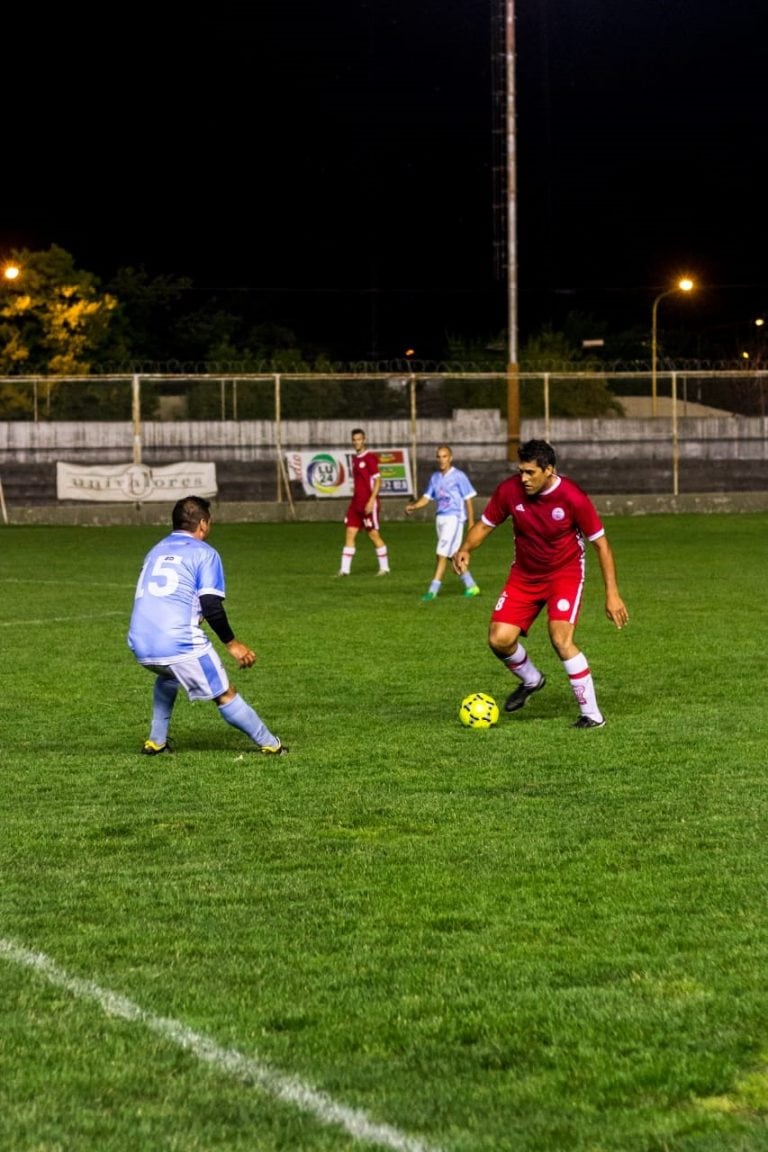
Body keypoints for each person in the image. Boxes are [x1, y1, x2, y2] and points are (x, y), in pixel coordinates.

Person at [452, 439, 629, 729]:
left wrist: (612, 594)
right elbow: (485, 525)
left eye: (530, 472)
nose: (523, 478)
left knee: (561, 639)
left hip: (565, 574)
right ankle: (532, 679)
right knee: (499, 639)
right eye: (521, 471)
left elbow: (602, 546)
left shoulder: (573, 497)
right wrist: (466, 549)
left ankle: (592, 715)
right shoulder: (510, 491)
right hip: (524, 575)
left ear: (549, 470)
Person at [127, 495, 288, 756]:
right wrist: (232, 644)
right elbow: (212, 605)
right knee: (224, 692)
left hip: (140, 642)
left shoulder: (155, 550)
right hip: (178, 643)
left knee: (168, 676)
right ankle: (271, 744)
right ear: (202, 524)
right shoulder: (205, 553)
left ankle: (156, 742)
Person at [405, 444, 481, 601]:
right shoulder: (435, 478)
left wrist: (471, 522)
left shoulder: (459, 476)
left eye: (444, 456)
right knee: (452, 555)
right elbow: (427, 497)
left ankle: (433, 590)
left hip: (454, 518)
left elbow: (468, 499)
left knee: (440, 554)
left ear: (450, 458)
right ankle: (471, 586)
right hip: (440, 518)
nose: (441, 459)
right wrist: (414, 506)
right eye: (439, 456)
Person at [336, 427, 391, 576]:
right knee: (350, 532)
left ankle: (385, 568)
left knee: (373, 535)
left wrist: (371, 500)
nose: (356, 442)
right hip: (356, 504)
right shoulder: (355, 459)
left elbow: (378, 481)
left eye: (359, 439)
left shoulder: (370, 458)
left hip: (368, 504)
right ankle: (344, 570)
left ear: (364, 440)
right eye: (354, 440)